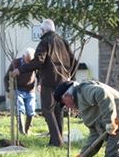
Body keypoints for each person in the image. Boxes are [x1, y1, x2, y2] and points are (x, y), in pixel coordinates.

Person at [12, 19, 76, 147]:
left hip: (49, 81)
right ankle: (57, 139)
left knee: (48, 110)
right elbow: (74, 61)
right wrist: (70, 77)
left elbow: (38, 61)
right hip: (63, 81)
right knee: (58, 110)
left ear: (44, 30)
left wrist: (21, 69)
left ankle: (57, 141)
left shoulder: (44, 41)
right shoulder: (64, 41)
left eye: (41, 30)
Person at [4, 48, 37, 135]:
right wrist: (8, 90)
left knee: (31, 111)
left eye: (31, 61)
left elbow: (40, 75)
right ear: (23, 57)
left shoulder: (34, 64)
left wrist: (40, 84)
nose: (29, 63)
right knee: (20, 109)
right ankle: (21, 131)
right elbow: (6, 77)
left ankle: (27, 130)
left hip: (30, 90)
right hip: (18, 89)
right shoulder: (16, 63)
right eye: (27, 61)